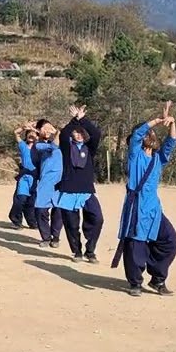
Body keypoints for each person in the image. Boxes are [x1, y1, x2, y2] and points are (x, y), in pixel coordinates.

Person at [113, 101, 176, 297]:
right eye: (148, 134)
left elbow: (171, 143)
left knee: (170, 242)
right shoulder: (135, 155)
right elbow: (136, 135)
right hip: (136, 208)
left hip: (154, 210)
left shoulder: (158, 158)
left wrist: (172, 122)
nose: (152, 135)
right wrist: (156, 121)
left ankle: (158, 279)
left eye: (152, 134)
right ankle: (135, 283)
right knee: (135, 246)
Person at [54, 105, 104, 263]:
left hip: (87, 191)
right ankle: (77, 252)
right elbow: (64, 134)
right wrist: (74, 121)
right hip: (68, 190)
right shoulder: (67, 148)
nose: (79, 134)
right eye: (77, 131)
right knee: (71, 224)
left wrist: (82, 119)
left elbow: (96, 133)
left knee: (97, 219)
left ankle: (91, 250)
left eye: (82, 132)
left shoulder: (90, 149)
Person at [32, 119, 64, 248]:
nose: (47, 130)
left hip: (60, 181)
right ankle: (46, 237)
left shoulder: (63, 143)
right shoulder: (39, 145)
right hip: (45, 182)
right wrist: (57, 132)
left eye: (48, 127)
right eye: (43, 128)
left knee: (59, 210)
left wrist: (56, 132)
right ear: (39, 131)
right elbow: (53, 146)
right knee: (41, 210)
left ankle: (55, 237)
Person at [8, 123, 38, 229]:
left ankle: (32, 222)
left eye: (34, 134)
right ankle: (16, 220)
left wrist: (36, 130)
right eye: (29, 134)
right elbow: (15, 133)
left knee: (31, 202)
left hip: (35, 179)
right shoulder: (23, 146)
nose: (31, 135)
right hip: (24, 177)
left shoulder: (40, 147)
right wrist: (24, 128)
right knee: (20, 199)